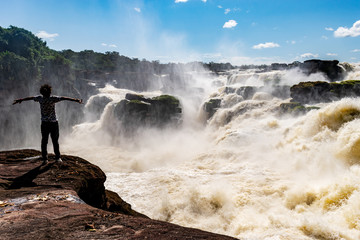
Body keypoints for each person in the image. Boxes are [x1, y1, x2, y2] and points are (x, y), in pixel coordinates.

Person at [13, 84, 82, 165]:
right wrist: (76, 100)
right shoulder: (53, 98)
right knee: (55, 141)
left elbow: (31, 98)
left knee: (44, 141)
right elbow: (64, 98)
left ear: (42, 92)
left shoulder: (40, 98)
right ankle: (58, 158)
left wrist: (20, 100)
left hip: (44, 123)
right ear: (50, 92)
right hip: (53, 123)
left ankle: (45, 159)